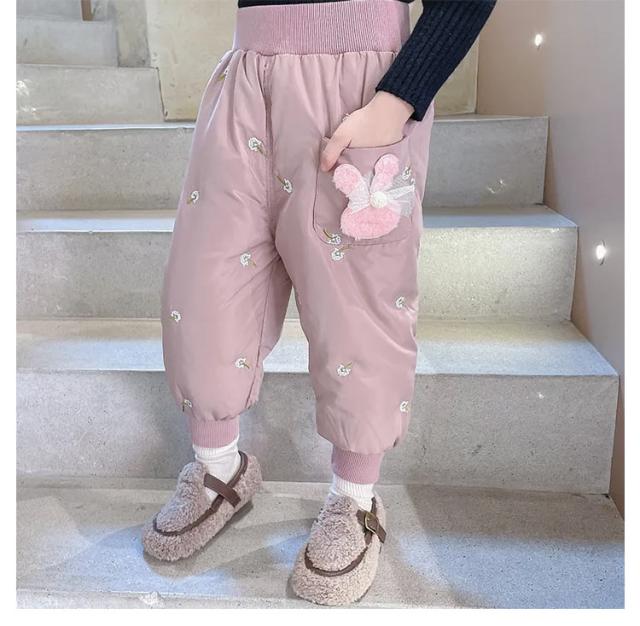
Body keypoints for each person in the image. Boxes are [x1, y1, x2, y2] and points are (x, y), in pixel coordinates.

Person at [142, 0, 496, 606]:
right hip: (247, 79)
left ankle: (355, 496)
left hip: (359, 89)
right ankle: (218, 464)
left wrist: (397, 100)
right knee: (204, 287)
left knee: (358, 306)